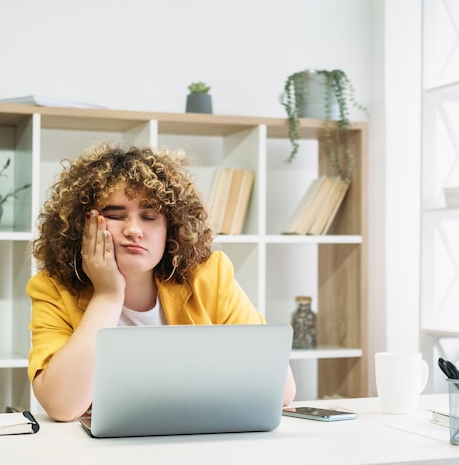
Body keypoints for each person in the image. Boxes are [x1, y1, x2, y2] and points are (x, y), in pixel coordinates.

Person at [27, 142, 296, 422]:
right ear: (84, 225)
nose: (133, 229)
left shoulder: (210, 276)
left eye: (149, 216)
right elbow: (62, 406)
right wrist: (108, 295)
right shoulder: (51, 288)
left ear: (171, 227)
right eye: (116, 216)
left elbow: (282, 389)